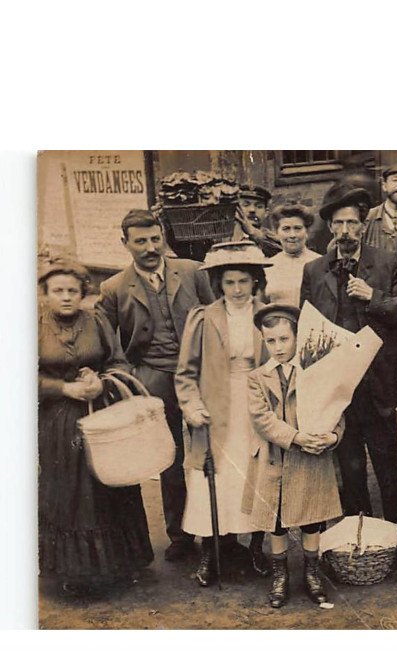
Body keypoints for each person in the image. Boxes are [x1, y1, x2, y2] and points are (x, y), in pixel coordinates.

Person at [96, 209, 215, 562]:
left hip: (199, 375)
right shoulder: (114, 287)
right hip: (152, 378)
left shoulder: (193, 272)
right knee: (169, 456)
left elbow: (215, 317)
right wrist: (128, 375)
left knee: (209, 451)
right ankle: (180, 535)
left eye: (155, 239)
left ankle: (216, 533)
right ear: (125, 244)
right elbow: (106, 340)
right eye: (141, 241)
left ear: (163, 236)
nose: (150, 248)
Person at [300, 183, 397, 537]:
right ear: (330, 228)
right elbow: (306, 326)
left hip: (379, 383)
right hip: (338, 388)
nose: (347, 231)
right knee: (349, 469)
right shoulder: (315, 270)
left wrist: (374, 296)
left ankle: (395, 540)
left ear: (364, 225)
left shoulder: (388, 260)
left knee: (388, 469)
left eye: (353, 223)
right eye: (339, 224)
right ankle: (358, 540)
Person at [38, 260, 153, 596]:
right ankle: (73, 572)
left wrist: (100, 382)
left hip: (101, 415)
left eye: (73, 290)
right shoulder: (32, 325)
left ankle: (121, 564)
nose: (66, 297)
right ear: (45, 294)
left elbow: (118, 360)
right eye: (58, 291)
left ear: (83, 293)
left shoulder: (97, 321)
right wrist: (63, 388)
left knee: (110, 484)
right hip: (58, 422)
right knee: (69, 493)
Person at [175, 242, 271, 586]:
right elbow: (185, 374)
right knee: (212, 479)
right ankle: (210, 551)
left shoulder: (268, 315)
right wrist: (192, 406)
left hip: (258, 407)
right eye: (229, 282)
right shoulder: (203, 318)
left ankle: (258, 546)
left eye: (244, 281)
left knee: (256, 475)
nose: (237, 289)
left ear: (256, 281)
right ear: (220, 284)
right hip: (216, 409)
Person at [244, 304, 344, 607]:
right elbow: (262, 419)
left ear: (297, 337)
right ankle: (281, 575)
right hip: (277, 456)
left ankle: (312, 574)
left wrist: (333, 436)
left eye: (284, 339)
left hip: (312, 458)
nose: (278, 347)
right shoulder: (257, 377)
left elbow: (337, 406)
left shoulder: (315, 370)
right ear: (263, 341)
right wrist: (297, 437)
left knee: (312, 518)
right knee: (277, 521)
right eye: (271, 341)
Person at [263, 204, 321, 307]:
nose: (292, 235)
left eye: (297, 228)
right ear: (276, 233)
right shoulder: (268, 266)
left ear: (307, 232)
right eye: (286, 229)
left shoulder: (320, 262)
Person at [233, 184, 281, 257]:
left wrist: (253, 232)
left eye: (259, 206)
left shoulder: (272, 239)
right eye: (246, 205)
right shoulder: (226, 236)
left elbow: (282, 254)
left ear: (266, 213)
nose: (252, 210)